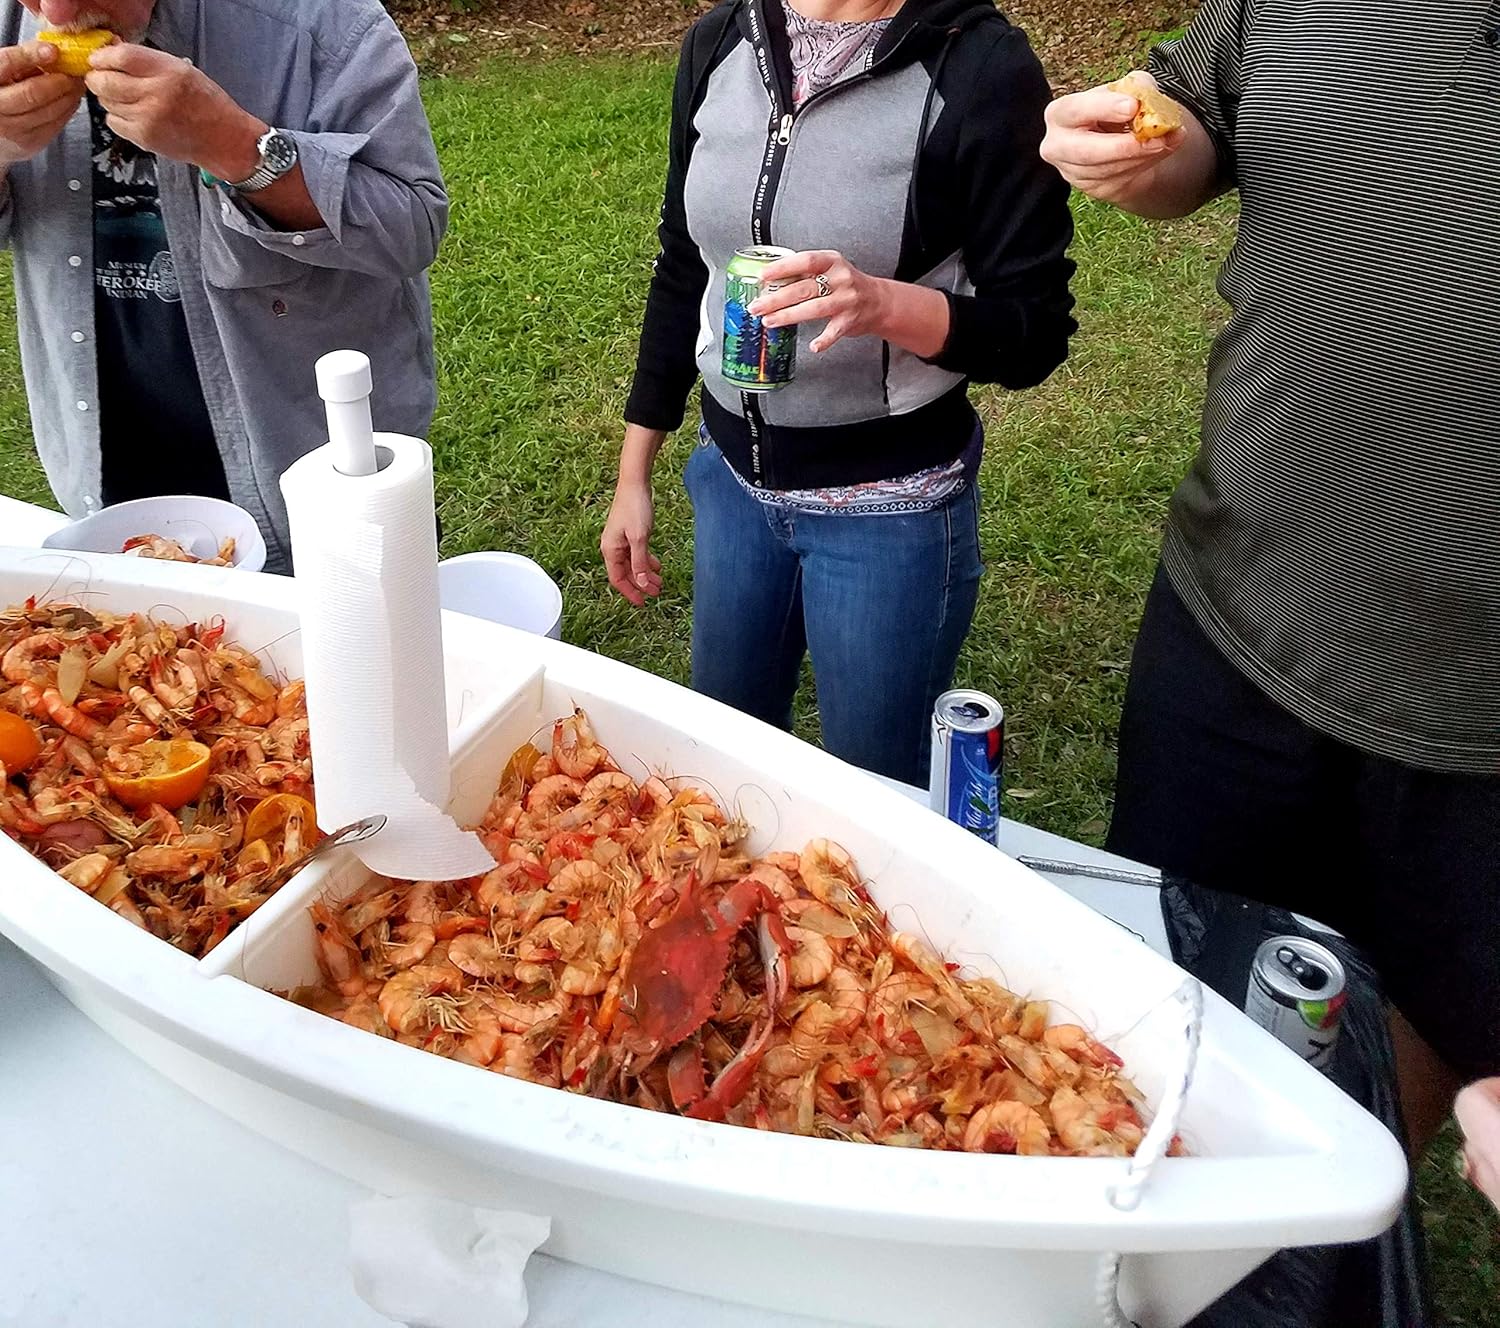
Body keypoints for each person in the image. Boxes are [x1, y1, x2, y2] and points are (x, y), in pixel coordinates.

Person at [1039, 8, 1500, 1155]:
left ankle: (1330, 1172)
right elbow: (1196, 126)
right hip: (1234, 611)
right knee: (1176, 955)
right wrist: (1133, 146)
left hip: (1479, 711)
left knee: (1438, 1025)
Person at [600, 0, 1074, 787]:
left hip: (890, 508)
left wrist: (883, 305)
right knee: (722, 770)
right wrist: (634, 471)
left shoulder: (981, 69)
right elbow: (686, 263)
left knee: (874, 793)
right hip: (731, 486)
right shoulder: (720, 40)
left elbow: (1034, 333)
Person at [0, 0, 447, 572]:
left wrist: (235, 147)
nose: (57, 12)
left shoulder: (324, 21)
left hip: (315, 486)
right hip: (103, 484)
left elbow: (409, 228)